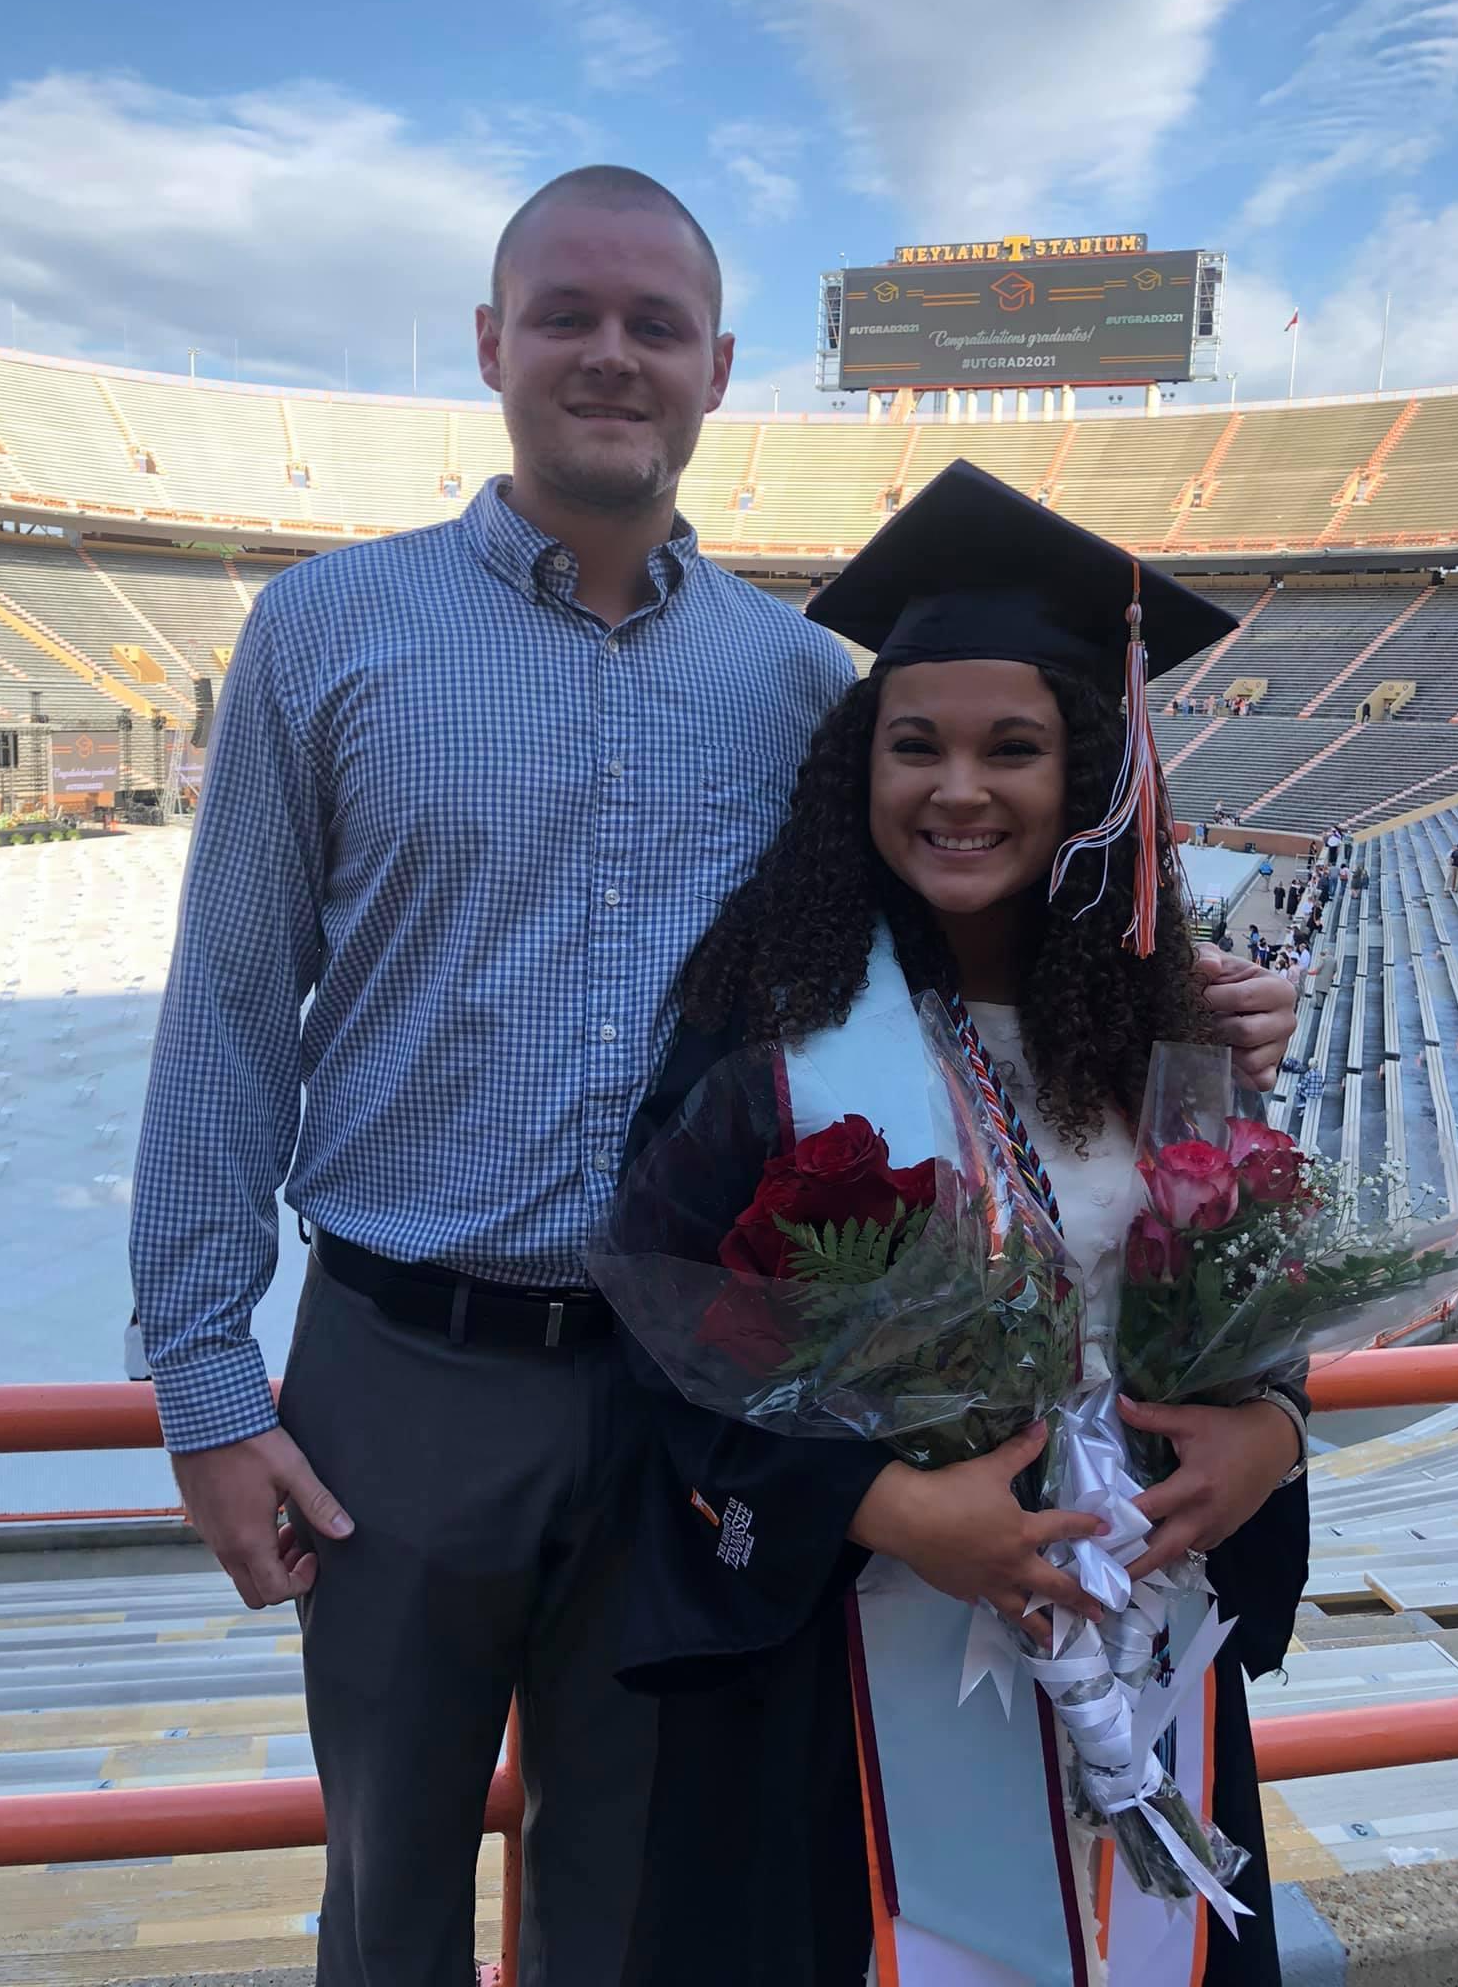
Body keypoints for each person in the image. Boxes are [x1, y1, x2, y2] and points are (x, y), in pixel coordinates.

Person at [129, 173, 1299, 1987]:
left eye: (654, 324)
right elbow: (221, 1017)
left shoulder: (793, 682)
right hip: (409, 1375)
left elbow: (932, 943)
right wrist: (205, 1384)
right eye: (569, 314)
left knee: (649, 1889)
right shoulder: (323, 632)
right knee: (390, 1889)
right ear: (491, 342)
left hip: (728, 1399)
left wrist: (1173, 999)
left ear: (720, 368)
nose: (611, 354)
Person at [615, 466, 1309, 1987]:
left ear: (1090, 776)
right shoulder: (769, 1026)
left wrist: (1276, 1435)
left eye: (1017, 748)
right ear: (856, 772)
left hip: (1139, 1642)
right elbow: (665, 1341)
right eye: (913, 746)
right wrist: (873, 1505)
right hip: (851, 1660)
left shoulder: (1168, 1030)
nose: (959, 789)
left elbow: (1244, 1287)